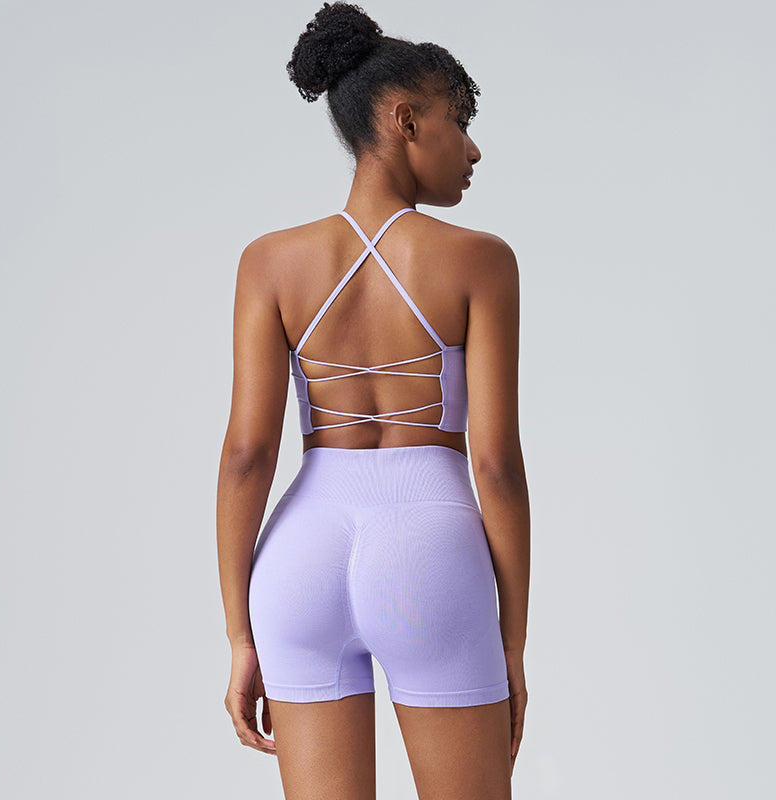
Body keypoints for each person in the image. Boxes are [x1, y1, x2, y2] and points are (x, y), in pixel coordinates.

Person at [216, 3, 531, 798]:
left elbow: (248, 455)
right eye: (459, 121)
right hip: (430, 552)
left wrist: (240, 635)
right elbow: (495, 465)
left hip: (300, 558)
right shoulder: (481, 262)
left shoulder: (269, 262)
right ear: (405, 120)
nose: (473, 148)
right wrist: (513, 643)